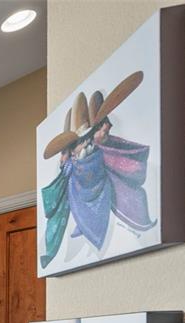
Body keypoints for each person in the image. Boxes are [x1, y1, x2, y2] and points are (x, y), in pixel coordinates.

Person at [40, 71, 155, 269]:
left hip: (97, 181)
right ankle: (83, 226)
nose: (104, 133)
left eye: (105, 130)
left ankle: (88, 226)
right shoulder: (72, 164)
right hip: (82, 185)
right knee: (80, 204)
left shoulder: (101, 152)